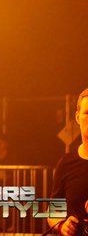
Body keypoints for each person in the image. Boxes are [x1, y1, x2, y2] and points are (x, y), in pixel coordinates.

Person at [49, 89, 88, 236]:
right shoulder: (66, 163)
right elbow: (53, 211)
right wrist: (62, 226)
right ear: (77, 117)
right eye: (87, 113)